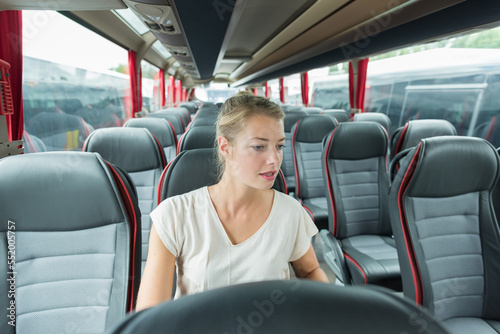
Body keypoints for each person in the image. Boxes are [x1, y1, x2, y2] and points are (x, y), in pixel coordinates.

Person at [136, 92, 329, 311]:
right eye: (259, 146)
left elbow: (310, 271)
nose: (274, 159)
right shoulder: (175, 214)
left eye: (279, 146)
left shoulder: (290, 212)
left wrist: (327, 313)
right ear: (225, 147)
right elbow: (149, 316)